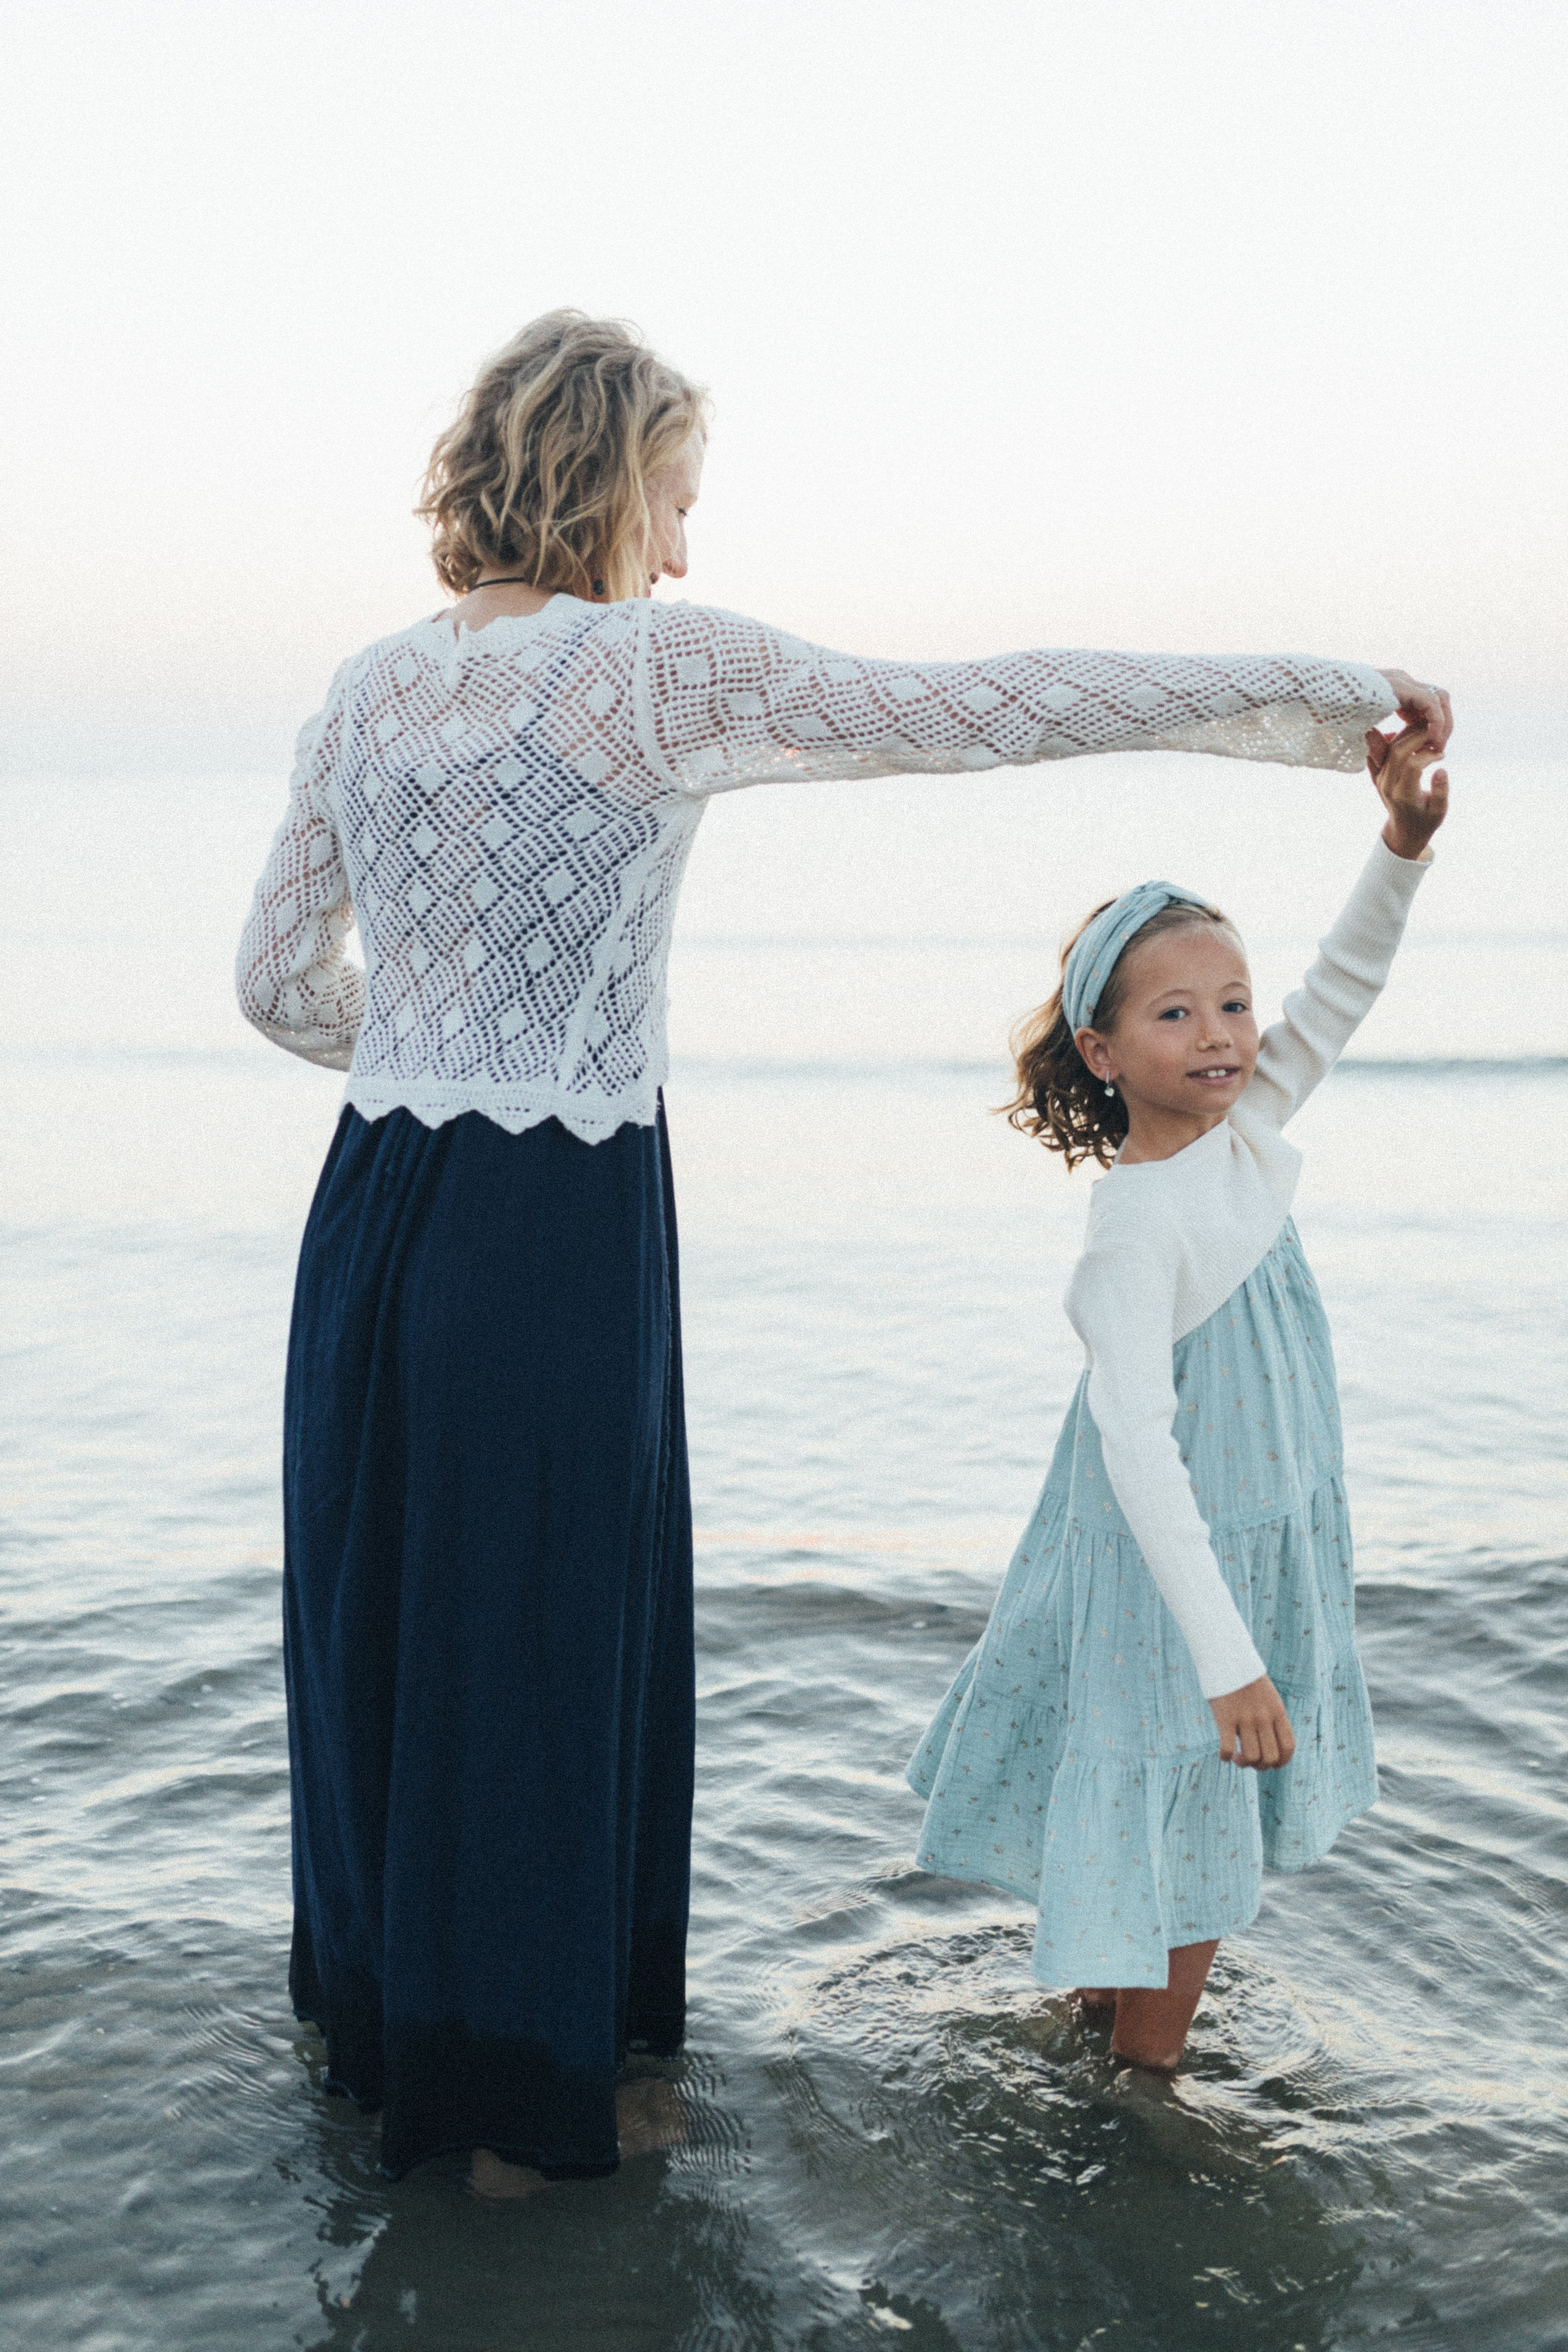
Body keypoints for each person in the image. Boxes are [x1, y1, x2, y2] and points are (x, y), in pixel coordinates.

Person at [235, 306, 1451, 2192]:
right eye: (679, 501)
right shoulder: (653, 670)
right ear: (618, 481)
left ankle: (392, 2069)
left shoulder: (368, 685)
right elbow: (991, 707)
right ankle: (536, 2114)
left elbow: (270, 983)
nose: (688, 547)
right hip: (556, 1218)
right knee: (549, 1641)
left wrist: (428, 1057)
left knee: (389, 1626)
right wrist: (1321, 700)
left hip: (376, 1210)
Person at [907, 724, 1449, 2070]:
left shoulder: (1252, 1133)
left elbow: (1341, 988)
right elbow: (1137, 1451)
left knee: (1177, 1828)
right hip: (1178, 1575)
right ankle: (1142, 2101)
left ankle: (1088, 2034)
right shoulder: (1135, 1230)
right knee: (1190, 1832)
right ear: (1099, 1051)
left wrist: (1398, 847)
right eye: (1172, 1013)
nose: (1218, 1034)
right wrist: (1229, 1664)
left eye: (1229, 1002)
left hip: (1253, 1545)